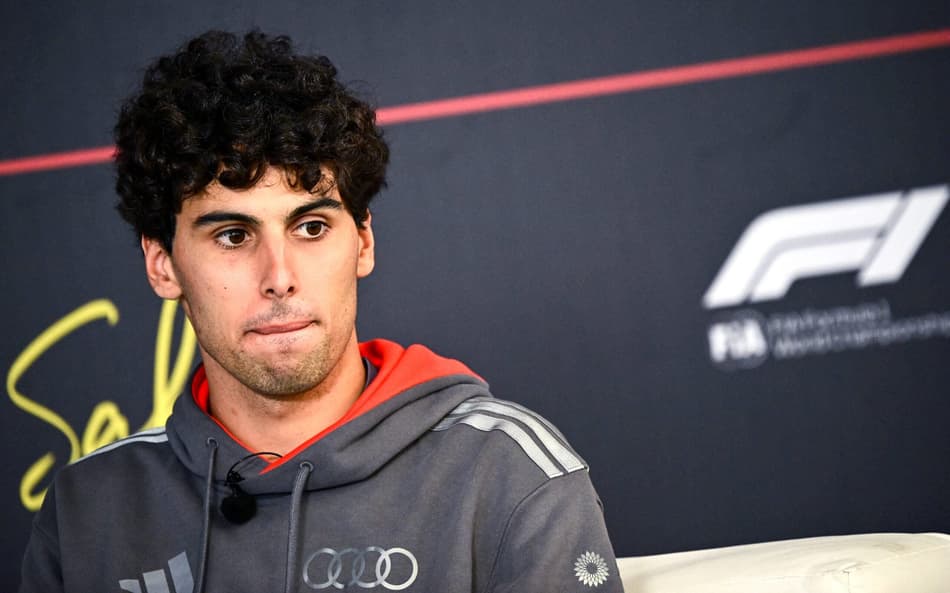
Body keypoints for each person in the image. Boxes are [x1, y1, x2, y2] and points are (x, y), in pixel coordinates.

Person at [19, 30, 622, 593]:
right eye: (232, 235)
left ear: (362, 242)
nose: (279, 278)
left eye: (310, 227)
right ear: (163, 265)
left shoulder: (507, 475)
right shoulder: (88, 506)